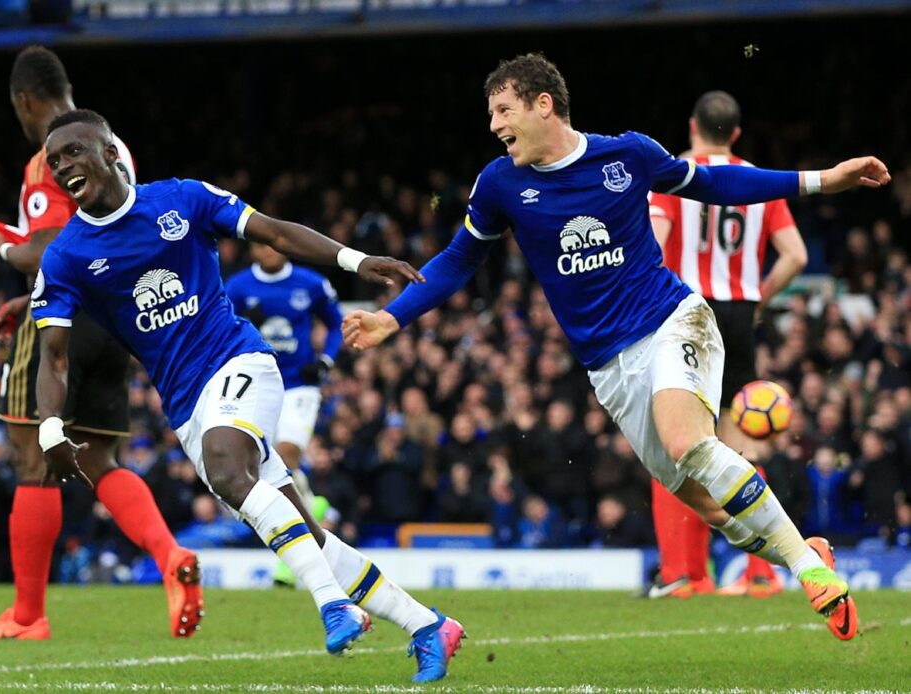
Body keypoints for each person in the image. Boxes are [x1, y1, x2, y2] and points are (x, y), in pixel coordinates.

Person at [344, 52, 890, 642]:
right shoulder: (500, 183)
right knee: (710, 508)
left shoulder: (626, 155)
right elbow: (459, 260)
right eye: (492, 113)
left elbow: (715, 183)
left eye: (503, 109)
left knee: (690, 444)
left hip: (673, 320)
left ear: (542, 104)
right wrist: (392, 319)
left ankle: (807, 570)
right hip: (608, 368)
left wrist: (821, 179)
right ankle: (802, 550)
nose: (495, 125)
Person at [31, 109, 465, 682]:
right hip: (185, 404)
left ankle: (333, 605)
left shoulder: (181, 200)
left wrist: (357, 262)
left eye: (73, 152)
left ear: (112, 152)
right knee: (304, 532)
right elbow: (53, 354)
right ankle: (427, 625)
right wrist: (49, 427)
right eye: (53, 161)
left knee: (229, 470)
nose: (62, 167)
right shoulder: (67, 255)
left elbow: (276, 233)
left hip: (241, 361)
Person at [0, 46, 202, 642]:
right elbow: (96, 241)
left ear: (23, 101)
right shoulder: (111, 147)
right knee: (97, 461)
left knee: (30, 457)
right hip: (113, 320)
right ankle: (170, 556)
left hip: (62, 323)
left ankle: (26, 616)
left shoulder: (51, 157)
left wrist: (3, 248)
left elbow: (48, 250)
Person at [647, 90, 810, 599]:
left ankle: (685, 573)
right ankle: (761, 572)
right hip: (738, 314)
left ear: (692, 124)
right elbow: (796, 255)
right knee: (742, 439)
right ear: (735, 134)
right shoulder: (756, 179)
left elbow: (654, 244)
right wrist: (757, 297)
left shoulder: (674, 174)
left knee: (676, 442)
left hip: (686, 313)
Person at [225, 242, 343, 587]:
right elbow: (221, 326)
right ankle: (311, 506)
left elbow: (336, 324)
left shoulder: (310, 283)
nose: (271, 251)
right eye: (262, 245)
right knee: (264, 466)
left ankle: (291, 558)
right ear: (254, 251)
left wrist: (325, 361)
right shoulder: (238, 287)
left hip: (299, 386)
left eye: (276, 244)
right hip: (258, 382)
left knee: (288, 455)